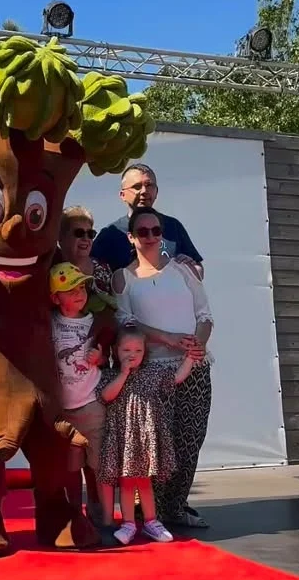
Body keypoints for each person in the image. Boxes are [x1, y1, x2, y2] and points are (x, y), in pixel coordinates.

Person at [112, 206, 213, 529]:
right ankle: (150, 512)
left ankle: (176, 507)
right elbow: (126, 322)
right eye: (143, 232)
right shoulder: (123, 278)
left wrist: (195, 348)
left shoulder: (184, 271)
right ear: (132, 237)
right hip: (152, 371)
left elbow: (205, 316)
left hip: (194, 367)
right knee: (157, 443)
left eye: (156, 231)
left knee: (190, 438)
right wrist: (166, 338)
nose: (152, 237)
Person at [98, 325, 193, 545]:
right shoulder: (110, 375)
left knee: (144, 482)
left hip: (144, 438)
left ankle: (151, 522)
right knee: (127, 482)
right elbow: (106, 396)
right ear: (115, 351)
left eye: (138, 351)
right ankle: (128, 524)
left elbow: (177, 378)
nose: (132, 355)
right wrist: (123, 373)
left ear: (145, 352)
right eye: (126, 350)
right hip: (123, 438)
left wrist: (190, 358)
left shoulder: (152, 374)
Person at [49, 262, 106, 527]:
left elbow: (110, 355)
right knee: (71, 467)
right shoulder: (51, 323)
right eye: (70, 288)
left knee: (96, 465)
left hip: (92, 405)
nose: (78, 292)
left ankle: (100, 512)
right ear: (55, 298)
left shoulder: (95, 322)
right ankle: (74, 515)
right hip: (65, 410)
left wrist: (101, 357)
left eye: (81, 286)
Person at [91, 163, 203, 278]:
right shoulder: (111, 233)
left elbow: (199, 270)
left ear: (156, 192)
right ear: (122, 195)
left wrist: (190, 268)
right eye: (137, 186)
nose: (144, 191)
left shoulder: (173, 226)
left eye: (149, 185)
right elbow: (90, 269)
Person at [57, 206, 114, 313]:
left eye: (90, 234)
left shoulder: (104, 270)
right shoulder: (50, 269)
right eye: (79, 233)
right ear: (60, 237)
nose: (86, 239)